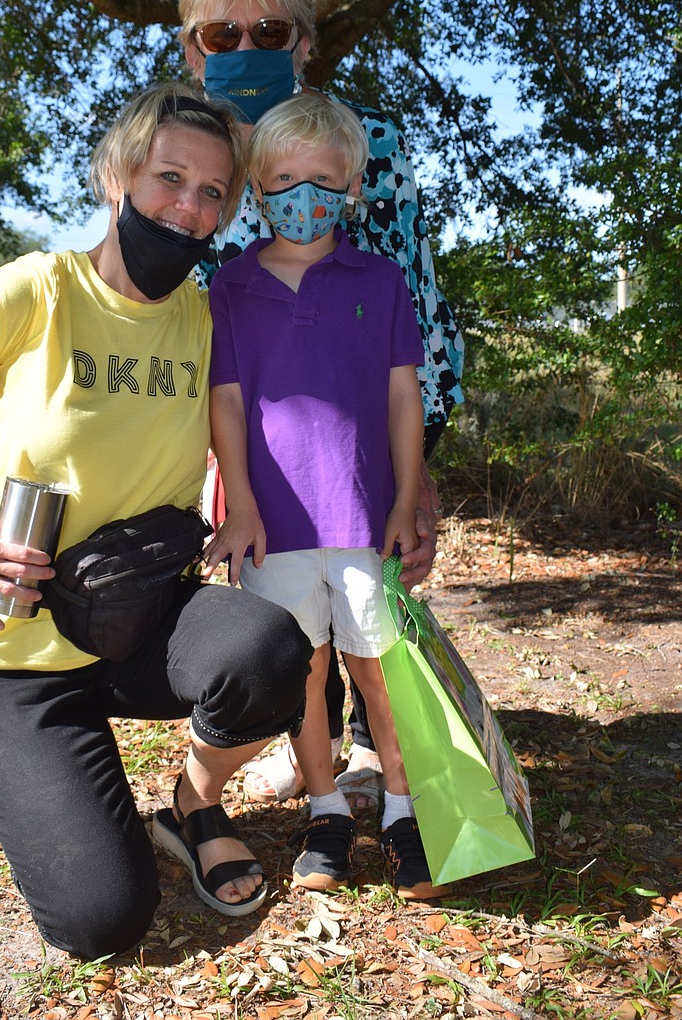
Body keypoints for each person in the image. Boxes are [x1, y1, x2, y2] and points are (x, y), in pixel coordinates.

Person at [0, 82, 312, 961]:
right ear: (118, 175)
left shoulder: (203, 319)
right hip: (17, 657)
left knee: (270, 649)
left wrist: (248, 503)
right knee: (102, 923)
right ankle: (37, 774)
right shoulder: (33, 292)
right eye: (171, 176)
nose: (191, 205)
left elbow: (243, 423)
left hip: (141, 621)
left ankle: (193, 800)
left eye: (214, 193)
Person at [179, 0, 464, 805]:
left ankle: (373, 753)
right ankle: (308, 759)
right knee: (281, 602)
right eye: (217, 35)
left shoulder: (366, 144)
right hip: (233, 427)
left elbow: (410, 300)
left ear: (305, 40)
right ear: (189, 48)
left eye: (268, 28)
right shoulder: (182, 153)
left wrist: (418, 474)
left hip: (358, 429)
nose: (243, 48)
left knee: (367, 589)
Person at [204, 93, 445, 898]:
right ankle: (327, 808)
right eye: (282, 178)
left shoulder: (379, 280)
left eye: (322, 179)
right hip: (274, 527)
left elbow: (405, 397)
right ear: (255, 187)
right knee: (303, 671)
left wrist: (408, 499)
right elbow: (227, 401)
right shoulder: (231, 288)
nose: (301, 195)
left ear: (351, 188)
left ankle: (405, 810)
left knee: (377, 670)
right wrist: (239, 502)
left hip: (362, 520)